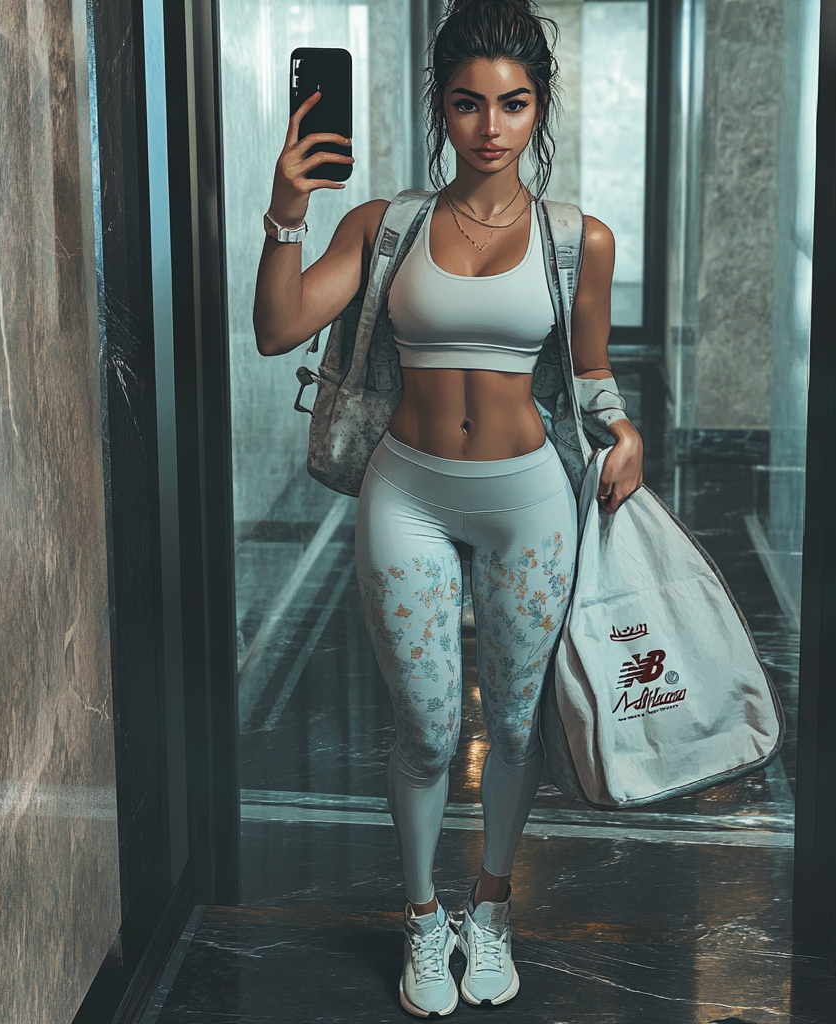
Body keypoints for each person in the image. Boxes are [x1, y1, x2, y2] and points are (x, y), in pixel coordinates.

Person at [254, 0, 643, 1015]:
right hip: (408, 495)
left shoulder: (578, 239)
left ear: (539, 109)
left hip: (530, 502)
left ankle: (493, 905)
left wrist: (624, 429)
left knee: (514, 721)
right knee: (427, 729)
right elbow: (278, 325)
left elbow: (590, 372)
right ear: (440, 106)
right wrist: (285, 208)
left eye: (512, 105)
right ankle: (425, 920)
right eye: (468, 103)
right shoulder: (384, 225)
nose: (489, 126)